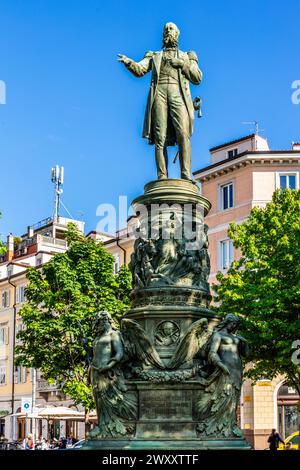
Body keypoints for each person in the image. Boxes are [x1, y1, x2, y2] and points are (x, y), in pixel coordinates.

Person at [118, 22, 202, 181]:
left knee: (183, 134)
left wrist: (183, 65)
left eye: (171, 29)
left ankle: (185, 175)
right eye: (166, 29)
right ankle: (162, 176)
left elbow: (197, 78)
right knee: (159, 137)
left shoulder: (188, 56)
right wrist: (129, 62)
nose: (168, 31)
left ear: (177, 34)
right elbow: (140, 69)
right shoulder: (155, 55)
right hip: (160, 94)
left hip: (178, 94)